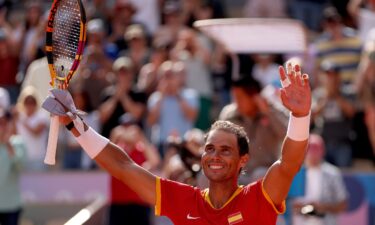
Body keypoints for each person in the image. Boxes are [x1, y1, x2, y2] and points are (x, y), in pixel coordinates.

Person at [42, 63, 311, 225]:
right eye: (210, 148)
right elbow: (124, 166)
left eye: (225, 150)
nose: (215, 155)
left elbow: (289, 163)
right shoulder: (185, 201)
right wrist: (75, 125)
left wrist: (300, 116)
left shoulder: (259, 199)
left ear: (243, 160)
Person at [291, 134, 348, 225]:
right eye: (310, 148)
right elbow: (286, 204)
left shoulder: (332, 173)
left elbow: (342, 204)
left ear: (323, 150)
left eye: (316, 148)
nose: (313, 152)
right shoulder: (295, 172)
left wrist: (323, 207)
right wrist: (303, 208)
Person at [0, 108, 27, 225]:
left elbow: (20, 166)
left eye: (4, 122)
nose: (2, 127)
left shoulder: (18, 143)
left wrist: (8, 145)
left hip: (11, 206)